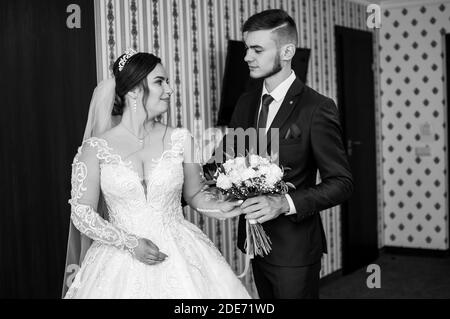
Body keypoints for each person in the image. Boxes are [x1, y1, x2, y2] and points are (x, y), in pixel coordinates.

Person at [62, 49, 251, 299]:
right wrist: (130, 243)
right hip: (118, 259)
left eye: (168, 82)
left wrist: (227, 207)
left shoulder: (182, 139)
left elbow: (195, 194)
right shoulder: (95, 148)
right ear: (133, 90)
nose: (170, 90)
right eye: (160, 82)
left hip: (180, 251)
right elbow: (82, 212)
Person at [224, 9, 353, 299]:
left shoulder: (317, 108)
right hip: (254, 244)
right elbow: (225, 159)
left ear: (287, 51)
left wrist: (284, 203)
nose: (247, 57)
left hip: (295, 252)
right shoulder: (245, 103)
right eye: (246, 49)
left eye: (257, 49)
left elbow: (342, 183)